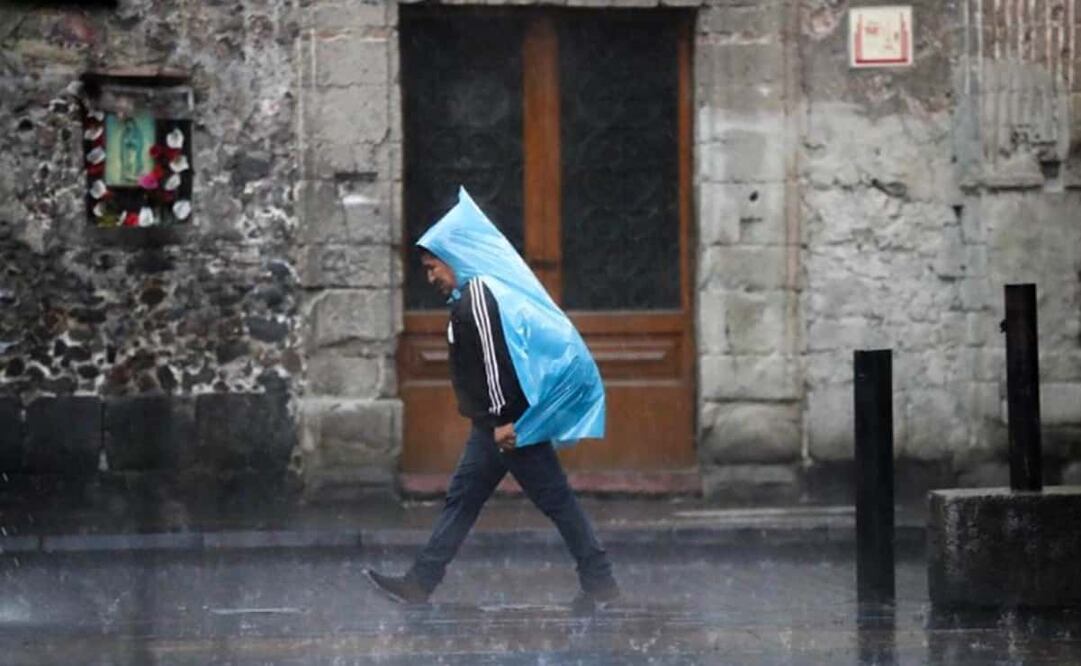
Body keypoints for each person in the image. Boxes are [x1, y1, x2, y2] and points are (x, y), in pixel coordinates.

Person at [366, 189, 620, 611]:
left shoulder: (479, 294)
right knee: (466, 500)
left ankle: (601, 581)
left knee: (554, 501)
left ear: (453, 257)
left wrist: (503, 418)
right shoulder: (471, 295)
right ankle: (420, 582)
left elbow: (494, 357)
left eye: (432, 267)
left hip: (508, 426)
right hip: (493, 425)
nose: (430, 277)